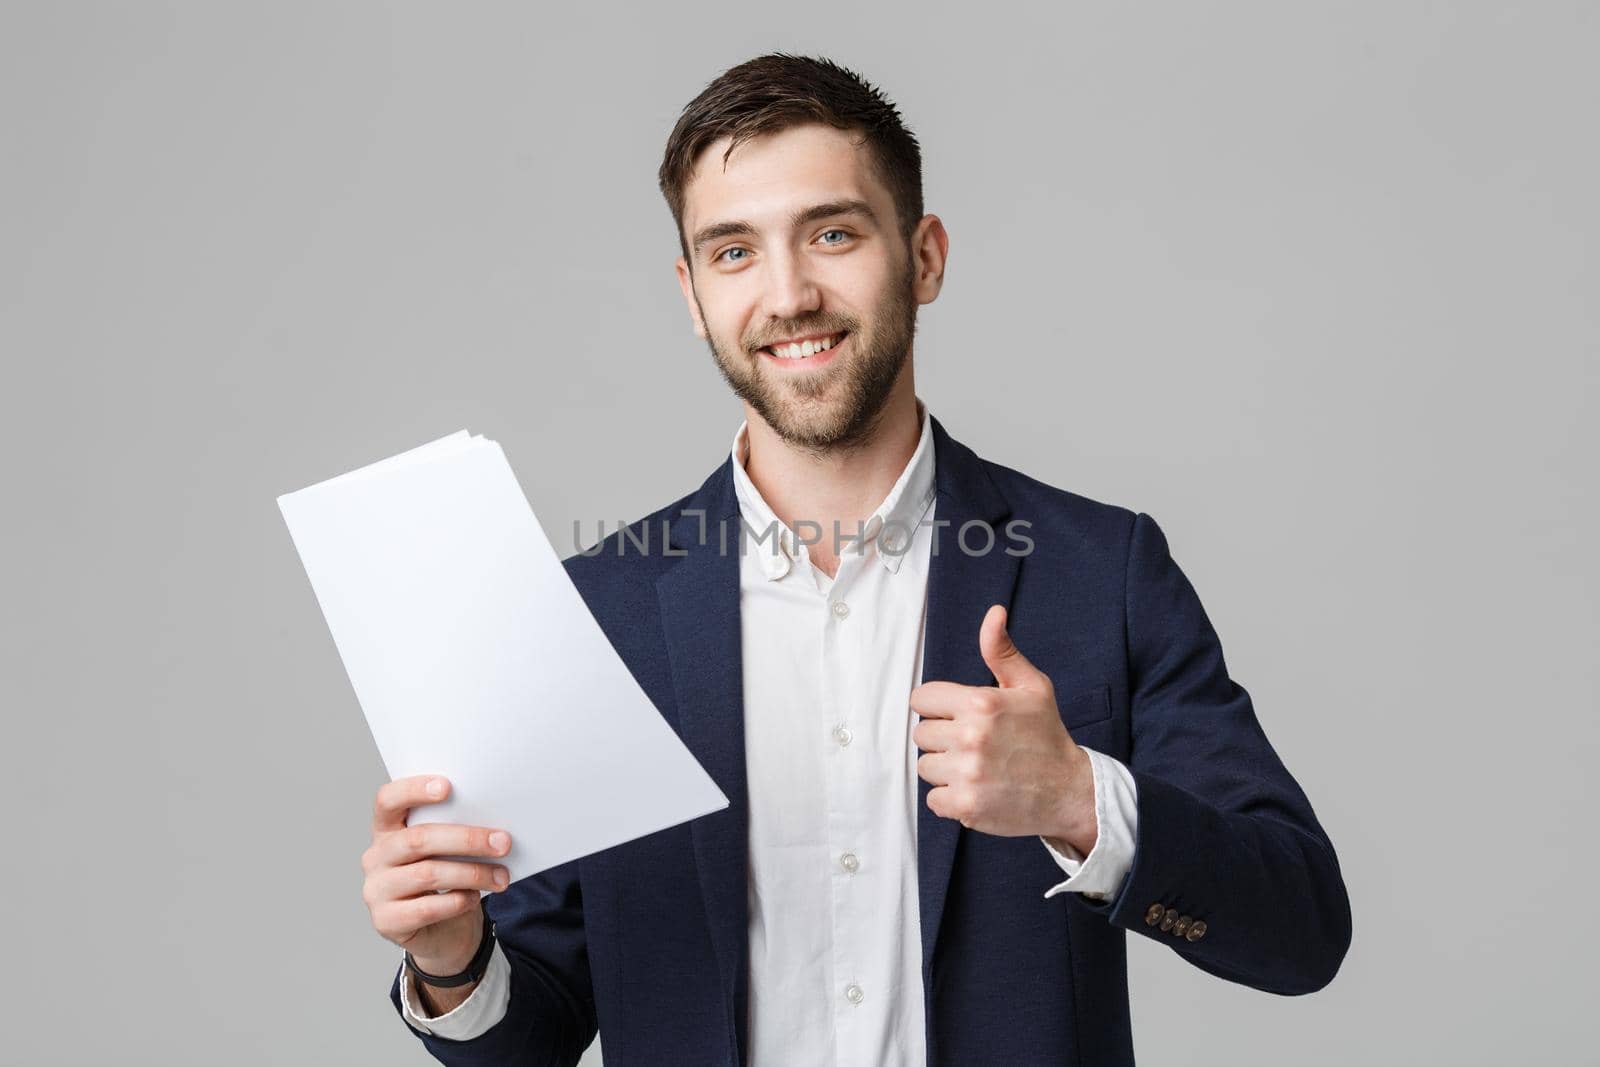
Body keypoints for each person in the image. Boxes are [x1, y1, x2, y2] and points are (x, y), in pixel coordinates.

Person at [359, 53, 1352, 1066]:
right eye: (734, 251)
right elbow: (526, 1036)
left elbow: (1302, 931)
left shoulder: (1103, 570)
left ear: (923, 256)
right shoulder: (591, 615)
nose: (789, 294)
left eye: (832, 233)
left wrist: (1076, 798)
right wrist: (451, 961)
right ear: (692, 293)